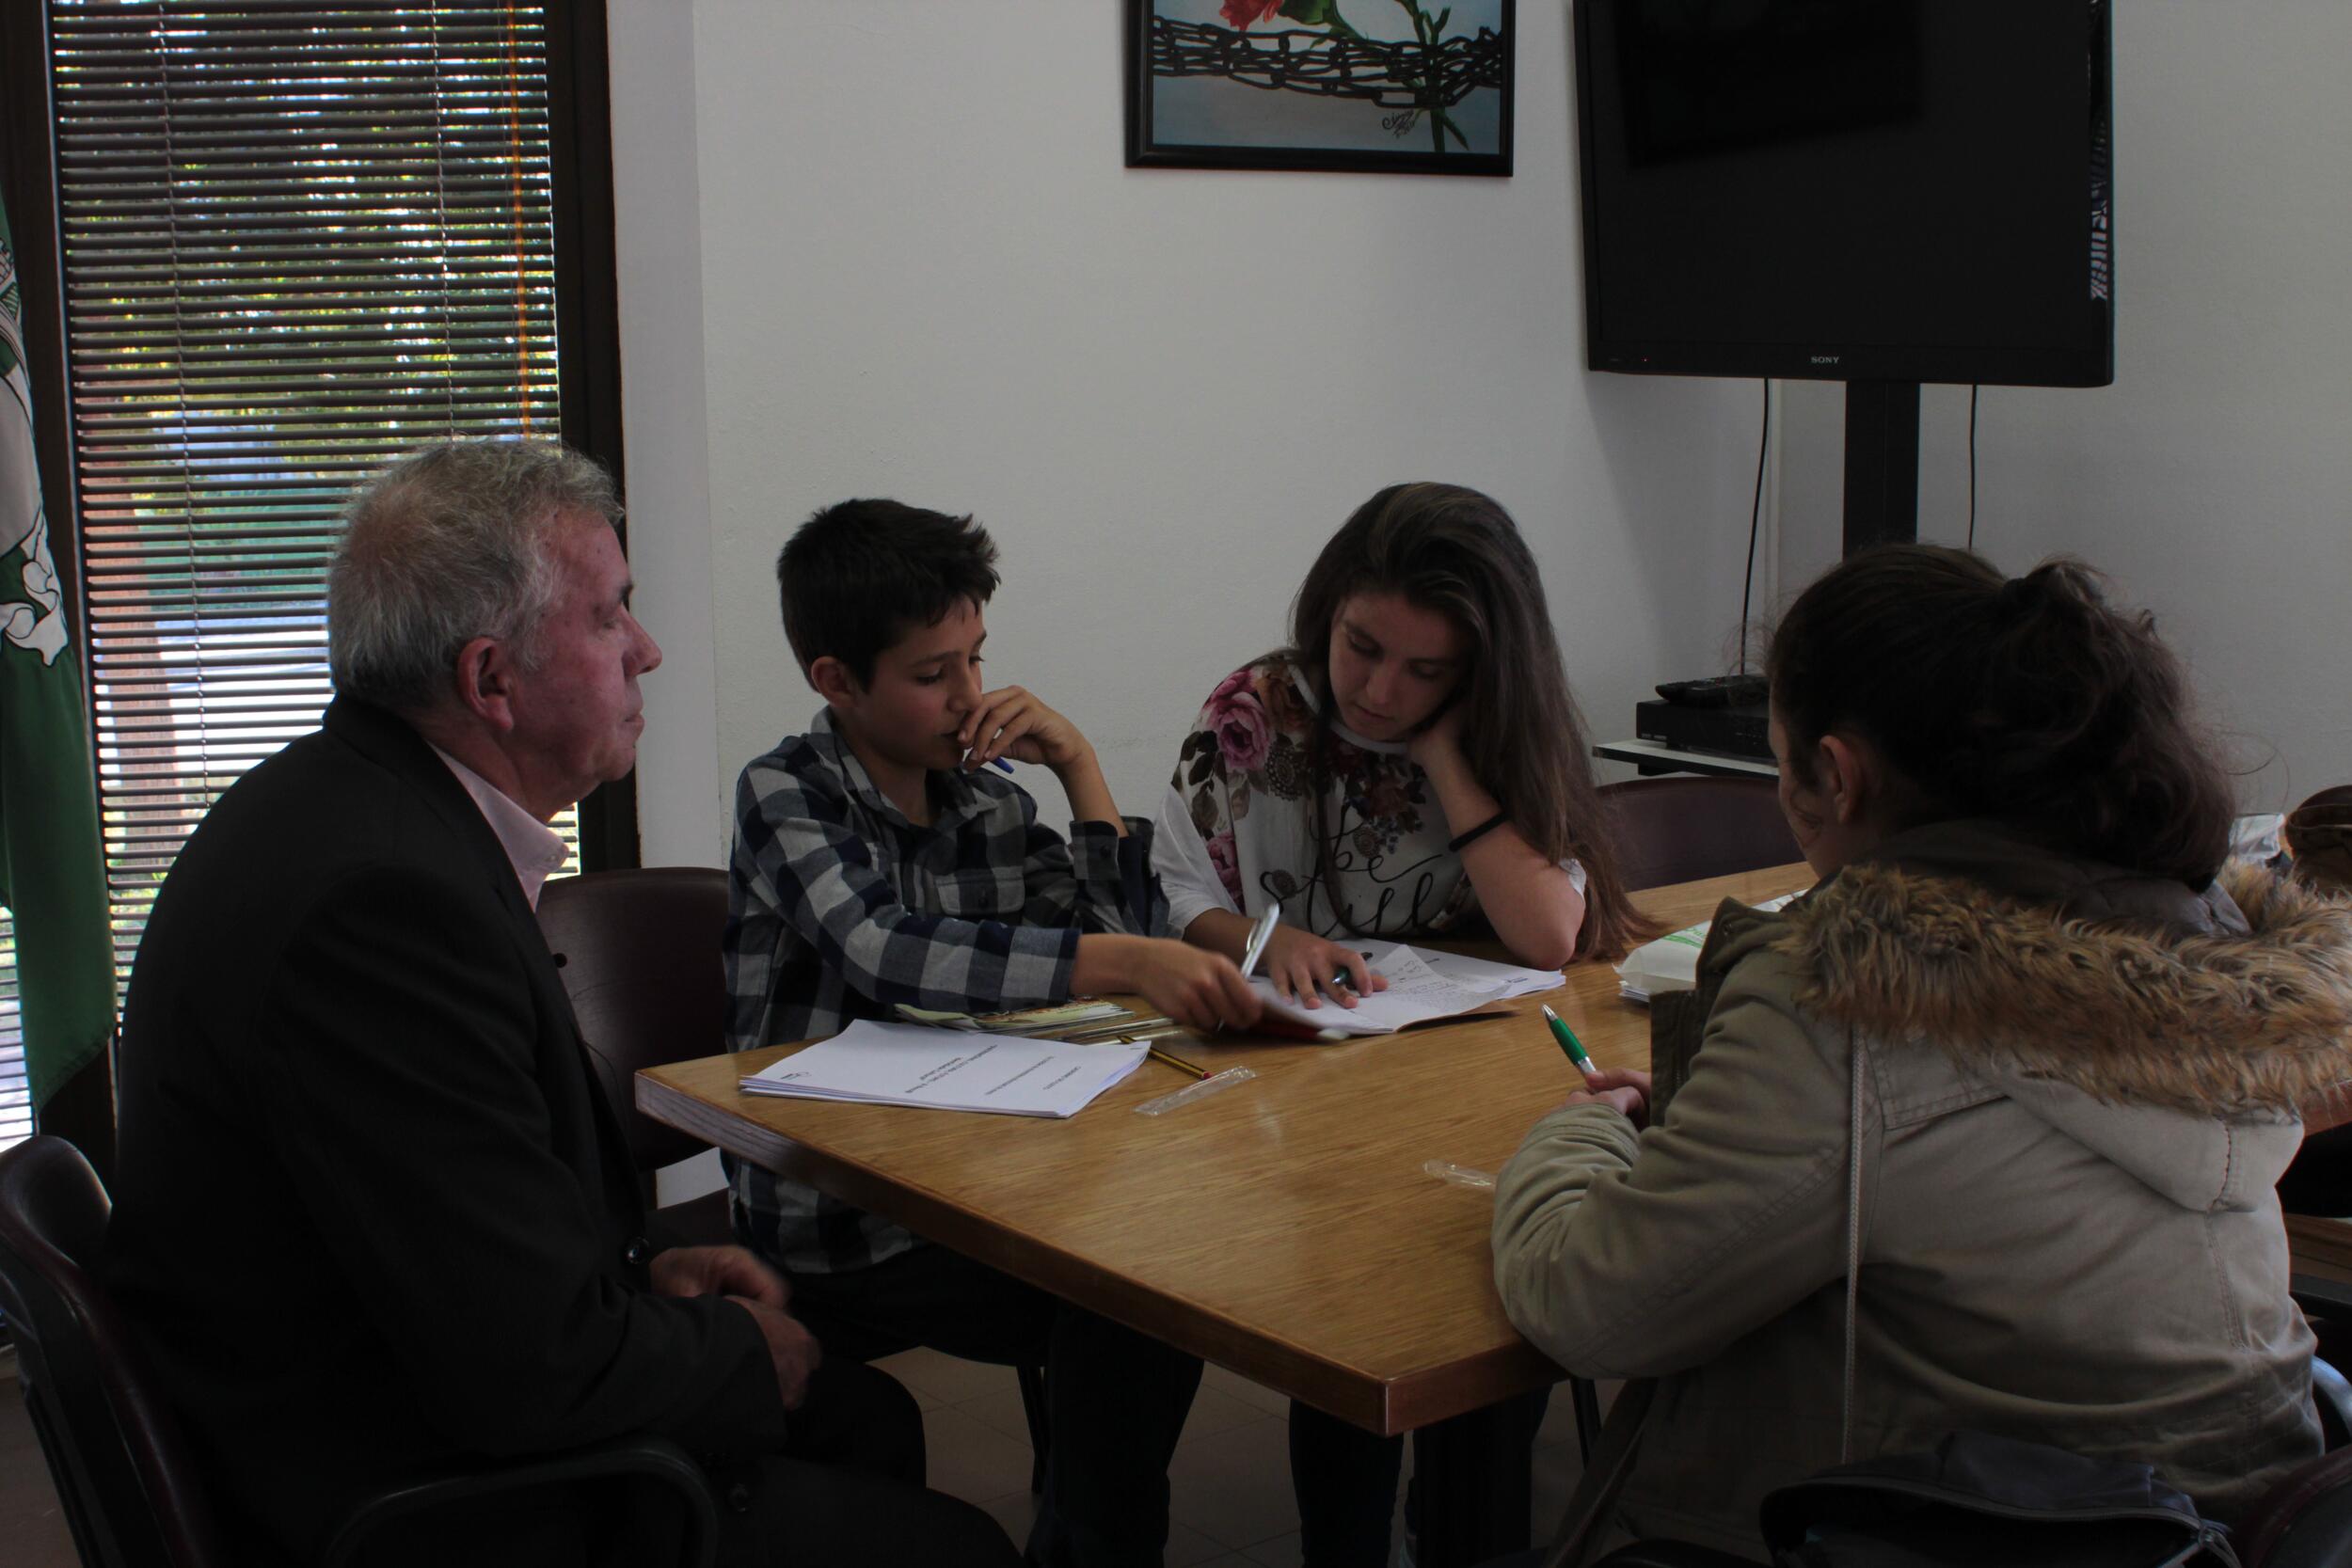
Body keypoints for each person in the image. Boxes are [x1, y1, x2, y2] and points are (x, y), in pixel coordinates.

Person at [103, 443, 1018, 1568]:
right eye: (611, 615)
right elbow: (522, 1370)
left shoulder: (362, 815)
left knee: (865, 1418)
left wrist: (642, 1277)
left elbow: (455, 1221)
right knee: (958, 1544)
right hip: (410, 1489)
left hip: (387, 1374)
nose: (649, 648)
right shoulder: (378, 907)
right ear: (492, 680)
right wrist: (726, 1345)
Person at [1491, 544, 2340, 1562]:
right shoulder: (2203, 944)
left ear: (1837, 774)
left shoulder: (1847, 995)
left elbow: (1593, 1305)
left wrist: (1576, 1137)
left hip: (1974, 1531)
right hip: (2229, 1517)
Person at [724, 498, 1262, 1568]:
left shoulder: (984, 798)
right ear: (835, 680)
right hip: (838, 1209)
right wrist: (1126, 960)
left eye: (977, 658)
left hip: (991, 1177)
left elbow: (1104, 962)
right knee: (1124, 1307)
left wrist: (1083, 774)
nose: (971, 694)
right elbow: (885, 947)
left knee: (1157, 1283)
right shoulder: (785, 791)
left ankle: (1086, 1534)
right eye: (933, 673)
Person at [1152, 481, 1657, 1566]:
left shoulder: (1496, 728)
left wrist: (1443, 754)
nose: (1378, 689)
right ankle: (1345, 1542)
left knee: (1491, 1301)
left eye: (1424, 668)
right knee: (1348, 1318)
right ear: (1327, 609)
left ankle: (1460, 1531)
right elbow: (1171, 886)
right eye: (1360, 646)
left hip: (1459, 1083)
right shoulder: (1256, 710)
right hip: (1292, 1103)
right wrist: (1255, 937)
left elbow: (1548, 934)